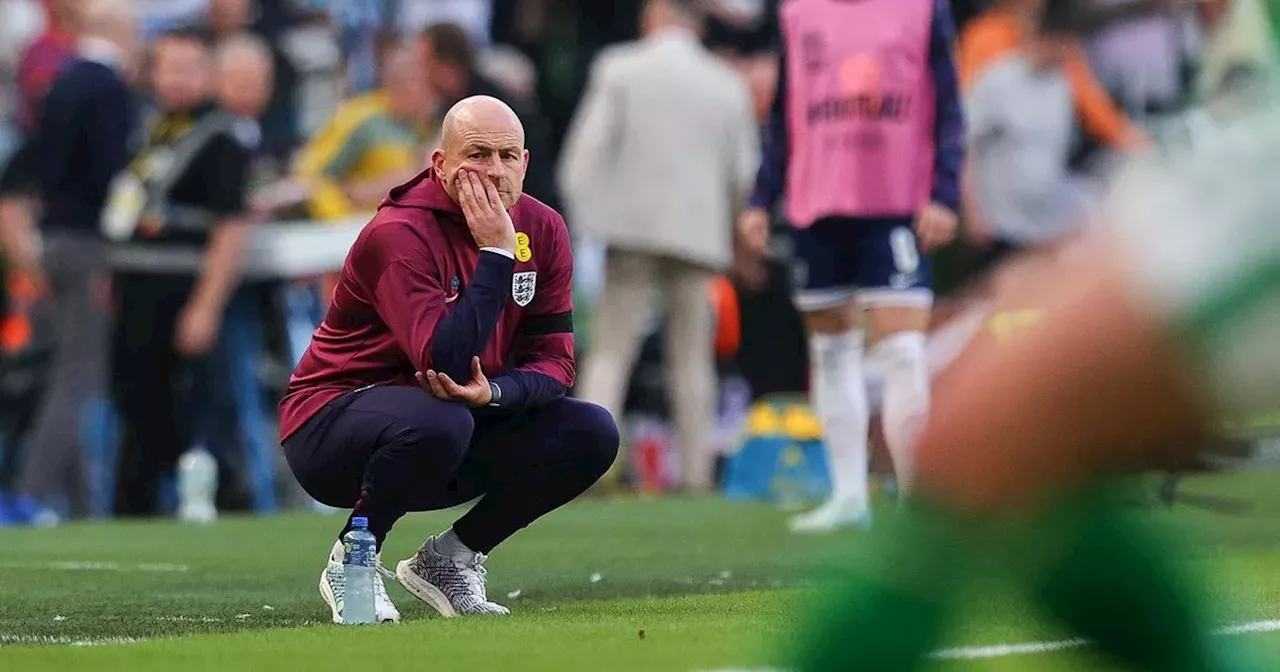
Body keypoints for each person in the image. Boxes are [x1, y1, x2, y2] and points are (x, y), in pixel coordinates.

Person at [795, 1, 1280, 668]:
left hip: (1253, 174)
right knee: (1017, 453)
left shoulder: (1065, 71)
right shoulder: (999, 67)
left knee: (975, 436)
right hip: (1233, 160)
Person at [279, 96, 619, 622]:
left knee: (592, 431)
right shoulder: (399, 233)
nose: (494, 171)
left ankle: (452, 559)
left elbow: (557, 362)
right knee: (442, 417)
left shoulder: (544, 228)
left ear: (526, 163)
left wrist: (498, 393)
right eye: (477, 154)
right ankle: (354, 558)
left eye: (508, 157)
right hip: (332, 425)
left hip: (450, 422)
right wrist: (496, 253)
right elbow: (445, 362)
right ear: (440, 165)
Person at [739, 0, 965, 532]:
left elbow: (950, 104)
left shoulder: (923, 9)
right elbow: (783, 113)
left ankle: (918, 505)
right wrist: (760, 197)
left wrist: (945, 194)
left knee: (904, 351)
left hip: (896, 202)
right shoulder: (797, 11)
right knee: (832, 351)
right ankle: (848, 497)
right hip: (816, 202)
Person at [561, 0, 760, 491]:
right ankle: (696, 474)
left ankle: (588, 467)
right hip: (699, 234)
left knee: (611, 352)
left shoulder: (619, 68)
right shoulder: (726, 83)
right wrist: (730, 227)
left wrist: (585, 225)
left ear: (657, 17)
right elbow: (744, 173)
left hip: (629, 232)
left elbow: (580, 161)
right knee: (693, 359)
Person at [108, 26, 256, 517]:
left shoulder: (222, 137)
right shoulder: (150, 127)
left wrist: (206, 307)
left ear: (209, 74)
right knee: (136, 405)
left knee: (196, 408)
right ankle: (135, 511)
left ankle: (227, 501)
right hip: (135, 291)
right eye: (167, 68)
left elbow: (231, 230)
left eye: (187, 69)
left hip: (183, 291)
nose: (174, 79)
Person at [7, 0, 135, 521]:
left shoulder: (59, 83)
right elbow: (111, 172)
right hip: (86, 242)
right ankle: (31, 493)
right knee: (78, 376)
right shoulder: (107, 87)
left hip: (53, 237)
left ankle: (80, 502)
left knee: (71, 368)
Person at [418, 22, 560, 211]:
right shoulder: (446, 106)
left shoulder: (489, 111)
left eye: (423, 63)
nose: (419, 72)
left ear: (446, 66)